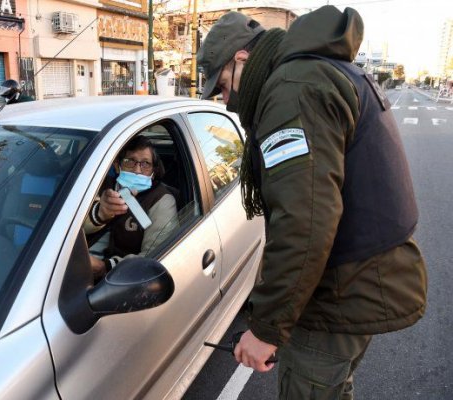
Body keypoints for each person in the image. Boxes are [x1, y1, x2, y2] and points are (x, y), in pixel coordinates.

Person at [197, 6, 427, 399]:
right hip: (356, 283)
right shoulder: (313, 71)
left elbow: (304, 223)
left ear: (241, 58)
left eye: (220, 85)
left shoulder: (293, 90)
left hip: (340, 294)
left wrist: (266, 329)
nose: (224, 99)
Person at [84, 135, 178, 278]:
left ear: (153, 172)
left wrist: (106, 266)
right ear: (117, 165)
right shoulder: (98, 184)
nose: (138, 170)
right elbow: (70, 226)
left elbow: (153, 256)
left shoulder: (161, 200)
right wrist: (100, 214)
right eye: (130, 161)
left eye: (145, 164)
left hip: (118, 279)